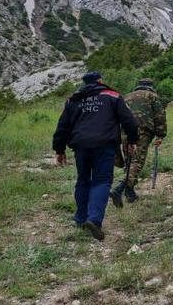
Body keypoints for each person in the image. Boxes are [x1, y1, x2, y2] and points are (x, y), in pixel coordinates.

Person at [52, 72, 138, 241]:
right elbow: (128, 120)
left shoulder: (73, 100)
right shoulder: (113, 96)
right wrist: (132, 141)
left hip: (80, 146)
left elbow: (62, 126)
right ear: (100, 81)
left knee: (83, 180)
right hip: (104, 144)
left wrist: (59, 150)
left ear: (84, 83)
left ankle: (80, 218)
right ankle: (94, 220)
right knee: (102, 180)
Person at [109, 78, 167, 207]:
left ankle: (130, 194)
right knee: (137, 162)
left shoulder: (125, 97)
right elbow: (159, 115)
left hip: (125, 132)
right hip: (143, 132)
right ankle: (119, 189)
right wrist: (160, 135)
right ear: (151, 86)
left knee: (129, 161)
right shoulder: (152, 96)